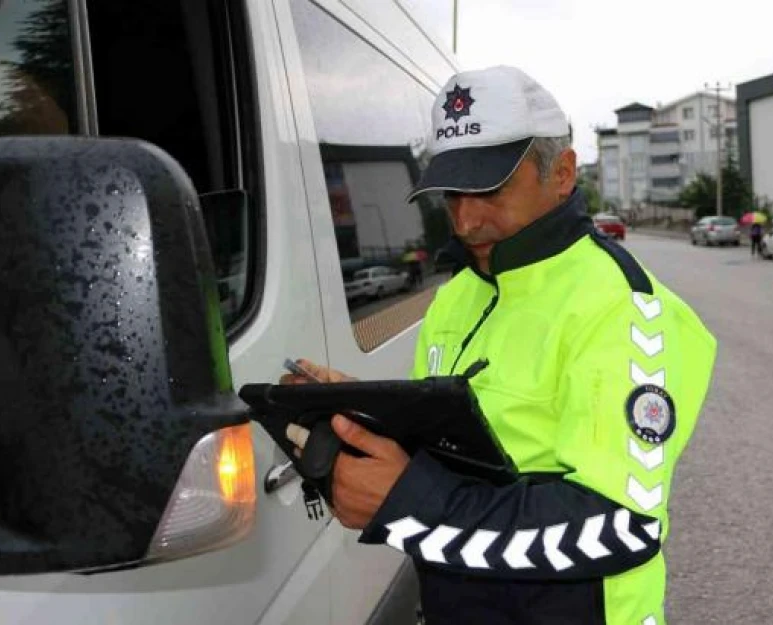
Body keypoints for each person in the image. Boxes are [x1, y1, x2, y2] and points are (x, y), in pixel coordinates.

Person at [280, 65, 717, 625]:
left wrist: (413, 504)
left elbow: (623, 527)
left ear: (562, 173)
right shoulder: (456, 296)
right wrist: (358, 413)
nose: (466, 220)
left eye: (489, 189)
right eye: (451, 194)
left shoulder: (626, 309)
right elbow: (450, 448)